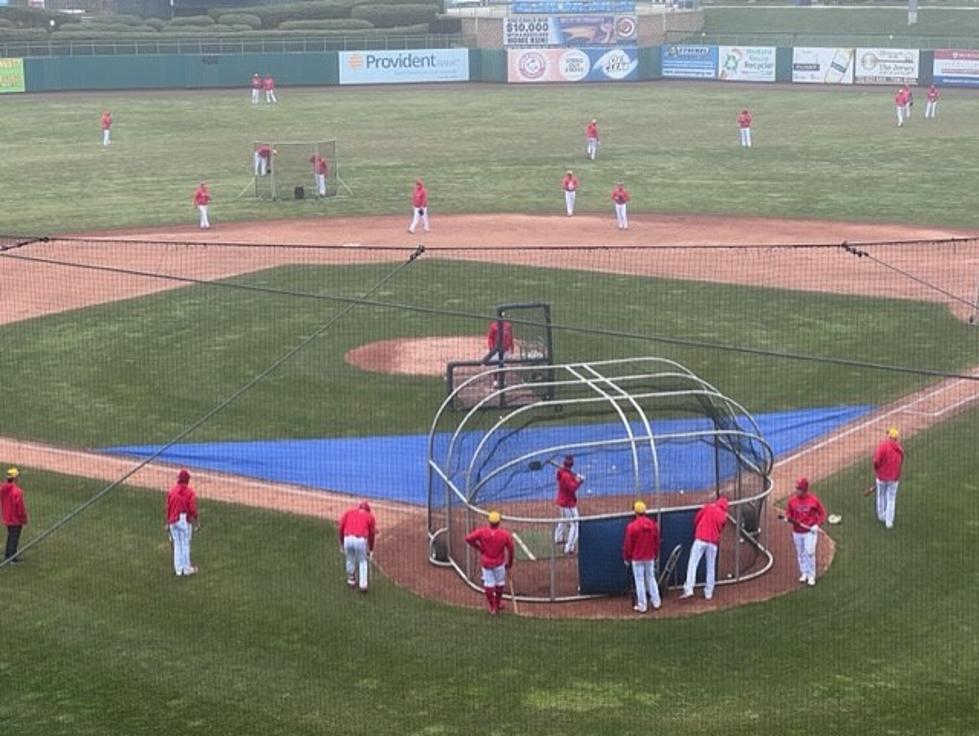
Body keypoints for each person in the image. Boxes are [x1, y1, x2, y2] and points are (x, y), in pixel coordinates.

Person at [680, 494, 729, 600]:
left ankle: (689, 588)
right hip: (713, 543)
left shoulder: (708, 507)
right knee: (711, 567)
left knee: (693, 564)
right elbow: (721, 529)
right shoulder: (724, 516)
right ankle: (709, 593)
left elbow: (696, 519)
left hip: (700, 539)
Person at [464, 511, 514, 615]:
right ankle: (498, 603)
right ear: (499, 522)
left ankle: (493, 607)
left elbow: (468, 539)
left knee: (488, 584)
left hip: (486, 563)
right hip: (499, 564)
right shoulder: (504, 535)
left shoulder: (482, 532)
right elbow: (511, 549)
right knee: (499, 583)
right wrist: (510, 563)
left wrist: (479, 548)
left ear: (489, 522)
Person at [785, 477, 826, 587]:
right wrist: (788, 518)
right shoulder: (792, 501)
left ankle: (811, 575)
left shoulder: (813, 500)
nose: (796, 490)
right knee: (801, 553)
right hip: (797, 532)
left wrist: (817, 525)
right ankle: (804, 573)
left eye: (799, 488)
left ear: (804, 489)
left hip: (810, 532)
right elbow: (788, 514)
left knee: (809, 552)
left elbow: (822, 514)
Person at [623, 500, 661, 613]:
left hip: (637, 558)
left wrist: (626, 557)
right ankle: (656, 602)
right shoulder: (653, 525)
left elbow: (628, 544)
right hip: (650, 556)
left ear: (635, 512)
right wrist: (656, 554)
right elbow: (657, 542)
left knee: (639, 581)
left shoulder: (632, 526)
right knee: (651, 578)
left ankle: (642, 605)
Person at [165, 468, 199, 576]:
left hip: (172, 520)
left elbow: (168, 508)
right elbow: (192, 508)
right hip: (183, 519)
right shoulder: (190, 492)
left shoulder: (172, 491)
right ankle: (187, 569)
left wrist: (167, 522)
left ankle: (179, 570)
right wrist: (196, 519)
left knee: (177, 544)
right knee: (185, 544)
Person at [338, 500, 376, 592]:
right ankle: (363, 585)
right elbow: (372, 534)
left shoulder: (349, 512)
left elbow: (341, 528)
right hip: (360, 540)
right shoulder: (370, 517)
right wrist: (371, 549)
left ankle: (351, 579)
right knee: (362, 561)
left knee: (350, 558)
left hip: (347, 538)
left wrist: (342, 543)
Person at [873, 426, 905, 529]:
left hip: (881, 478)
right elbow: (901, 462)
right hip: (894, 478)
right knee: (891, 499)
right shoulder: (900, 449)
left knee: (881, 495)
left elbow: (876, 461)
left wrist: (877, 470)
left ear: (890, 437)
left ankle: (881, 516)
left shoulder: (882, 446)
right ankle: (889, 522)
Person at [554, 455, 584, 555]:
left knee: (563, 519)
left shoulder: (562, 472)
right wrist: (579, 481)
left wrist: (575, 478)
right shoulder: (566, 475)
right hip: (568, 504)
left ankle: (558, 537)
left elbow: (559, 476)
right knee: (575, 525)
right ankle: (569, 547)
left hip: (561, 502)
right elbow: (572, 488)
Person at [1, 467, 27, 564]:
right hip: (15, 519)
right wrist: (23, 518)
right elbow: (20, 508)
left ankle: (8, 555)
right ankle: (12, 558)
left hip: (7, 517)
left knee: (10, 536)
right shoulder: (17, 492)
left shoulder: (3, 489)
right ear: (15, 478)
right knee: (14, 538)